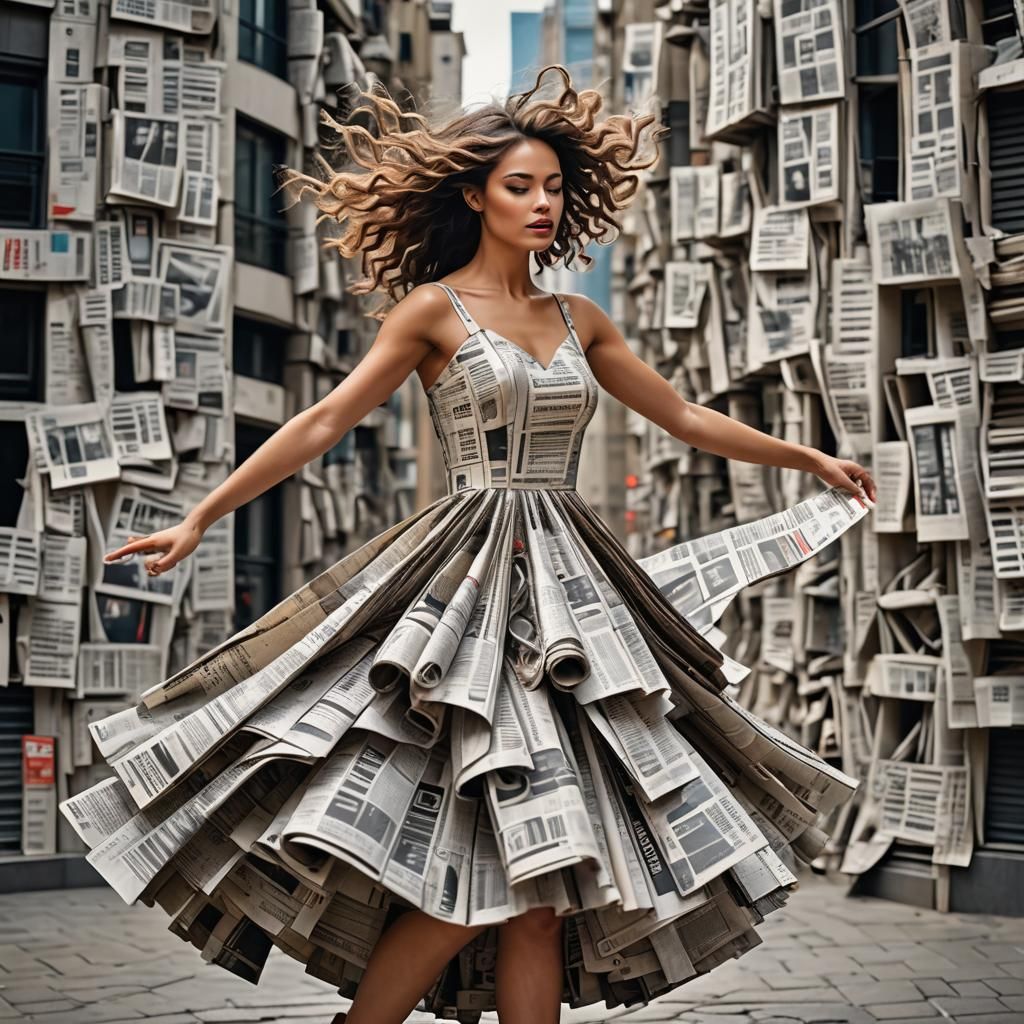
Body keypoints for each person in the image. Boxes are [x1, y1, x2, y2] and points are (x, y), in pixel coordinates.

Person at [83, 65, 876, 1024]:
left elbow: (685, 416)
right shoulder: (432, 311)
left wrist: (809, 458)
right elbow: (325, 421)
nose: (541, 204)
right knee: (479, 882)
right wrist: (203, 514)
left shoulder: (579, 319)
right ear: (474, 195)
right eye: (518, 186)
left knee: (539, 896)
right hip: (463, 583)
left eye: (552, 188)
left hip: (572, 582)